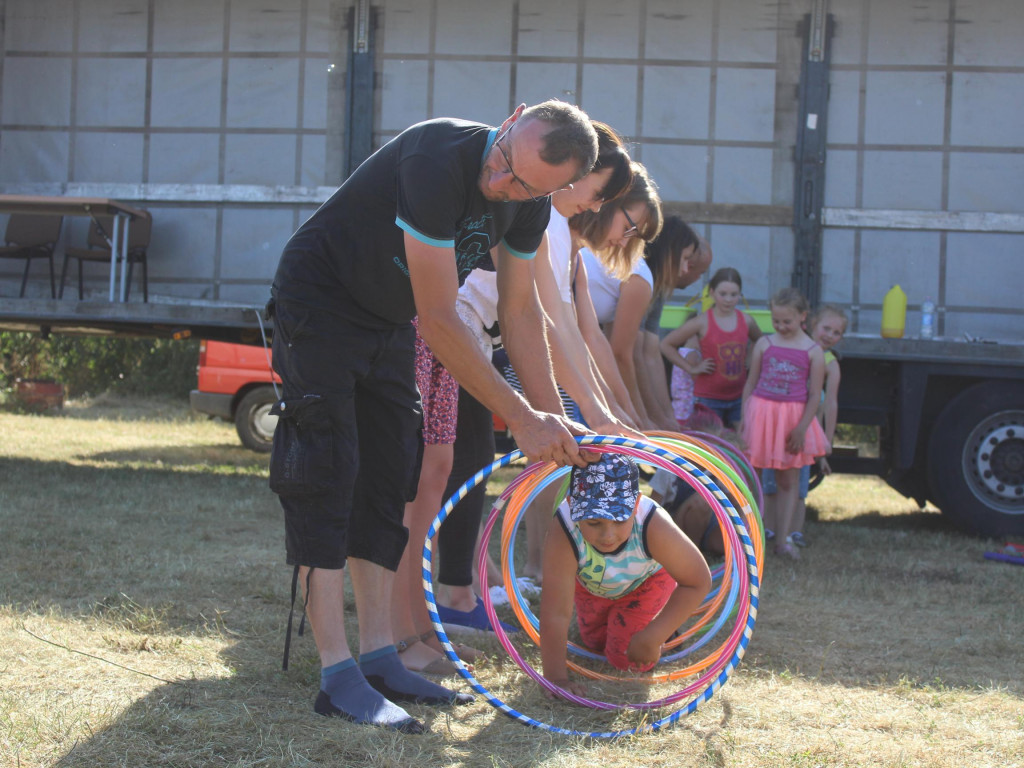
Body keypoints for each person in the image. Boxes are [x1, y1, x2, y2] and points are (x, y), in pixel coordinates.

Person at [268, 100, 599, 732]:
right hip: (320, 300)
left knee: (391, 477)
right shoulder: (436, 157)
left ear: (554, 191)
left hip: (387, 318)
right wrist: (520, 416)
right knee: (327, 473)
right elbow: (442, 317)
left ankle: (378, 655)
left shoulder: (526, 204)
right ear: (512, 118)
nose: (503, 184)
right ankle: (337, 674)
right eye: (505, 162)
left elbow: (522, 315)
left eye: (527, 185)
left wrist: (555, 422)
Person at [433, 132, 641, 625]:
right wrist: (593, 414)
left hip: (476, 341)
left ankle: (458, 589)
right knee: (449, 465)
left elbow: (565, 327)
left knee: (463, 460)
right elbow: (546, 324)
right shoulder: (543, 219)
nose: (598, 204)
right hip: (452, 335)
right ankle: (450, 594)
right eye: (600, 191)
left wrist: (604, 414)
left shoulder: (558, 228)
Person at [539, 454, 712, 696]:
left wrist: (654, 635)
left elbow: (697, 580)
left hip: (646, 583)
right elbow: (555, 612)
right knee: (594, 644)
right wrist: (555, 678)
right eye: (594, 523)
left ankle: (661, 625)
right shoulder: (565, 527)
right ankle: (629, 622)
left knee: (626, 657)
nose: (608, 536)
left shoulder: (652, 523)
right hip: (592, 585)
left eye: (619, 519)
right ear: (571, 504)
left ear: (636, 503)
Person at [740, 287, 829, 560]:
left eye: (787, 321)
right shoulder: (765, 344)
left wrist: (802, 427)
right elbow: (751, 385)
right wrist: (745, 420)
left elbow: (815, 394)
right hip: (762, 417)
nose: (781, 326)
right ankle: (750, 537)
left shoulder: (813, 351)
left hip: (792, 420)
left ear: (802, 316)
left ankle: (783, 538)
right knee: (751, 478)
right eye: (776, 321)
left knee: (788, 480)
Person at [659, 267, 762, 428]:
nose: (728, 299)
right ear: (712, 293)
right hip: (707, 398)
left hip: (739, 398)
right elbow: (666, 344)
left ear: (740, 295)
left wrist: (749, 358)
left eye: (733, 295)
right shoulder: (702, 321)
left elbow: (760, 341)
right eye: (723, 294)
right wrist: (691, 368)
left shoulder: (747, 321)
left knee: (739, 444)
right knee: (709, 445)